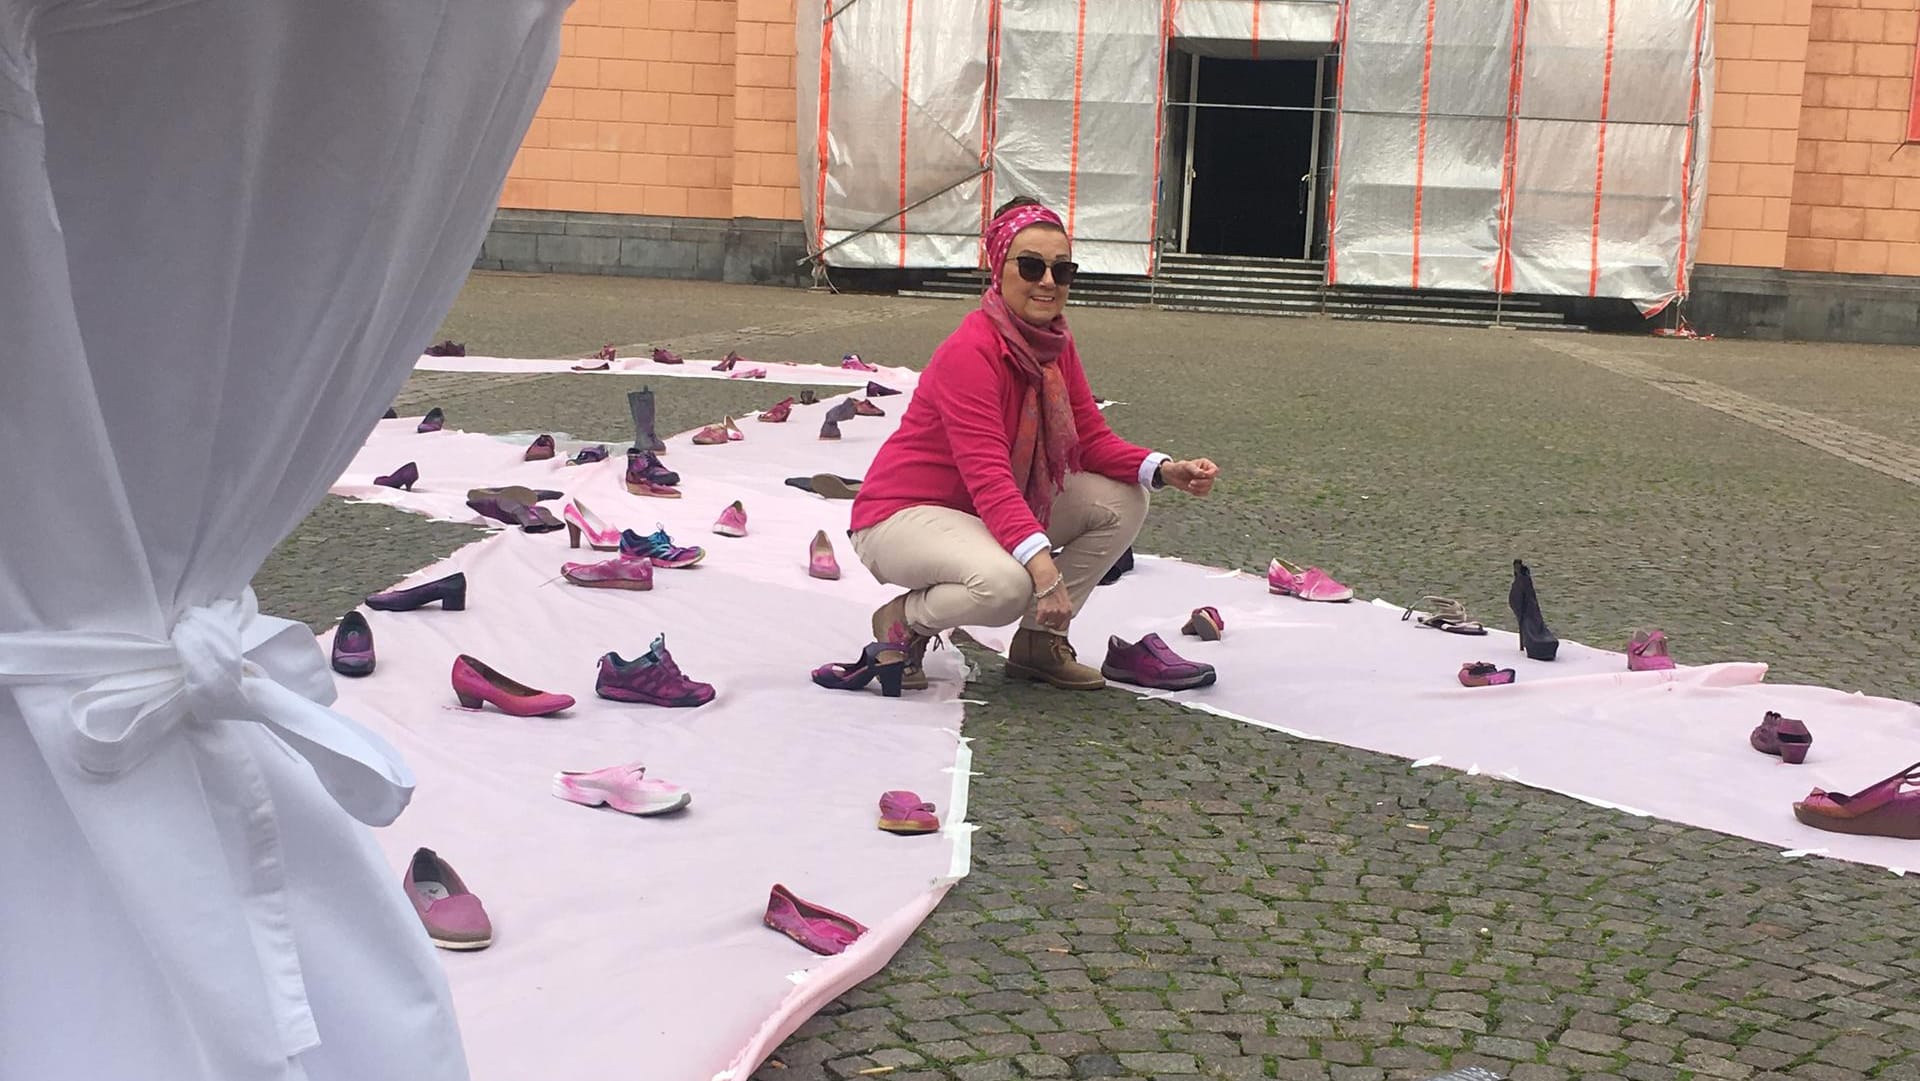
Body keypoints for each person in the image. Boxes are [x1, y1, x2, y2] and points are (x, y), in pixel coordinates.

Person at [849, 197, 1219, 691]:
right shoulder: (971, 350)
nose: (1047, 281)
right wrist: (1045, 573)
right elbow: (988, 476)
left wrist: (1164, 468)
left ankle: (1038, 644)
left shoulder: (1053, 345)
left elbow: (1089, 439)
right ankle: (904, 621)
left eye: (1061, 270)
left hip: (981, 511)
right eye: (1031, 266)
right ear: (998, 270)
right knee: (1007, 585)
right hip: (901, 515)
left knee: (1123, 498)